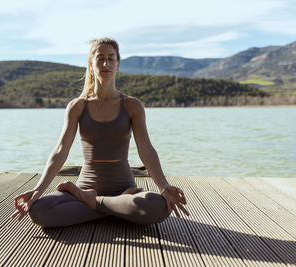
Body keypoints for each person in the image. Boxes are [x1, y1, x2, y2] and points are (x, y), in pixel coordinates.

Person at [10, 37, 189, 227]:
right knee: (39, 211)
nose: (106, 63)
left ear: (118, 64)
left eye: (111, 58)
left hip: (125, 188)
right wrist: (38, 190)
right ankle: (114, 208)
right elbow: (61, 150)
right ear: (91, 64)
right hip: (87, 186)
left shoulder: (132, 105)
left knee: (158, 206)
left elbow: (145, 148)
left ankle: (93, 203)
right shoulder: (77, 106)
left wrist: (163, 186)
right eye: (100, 58)